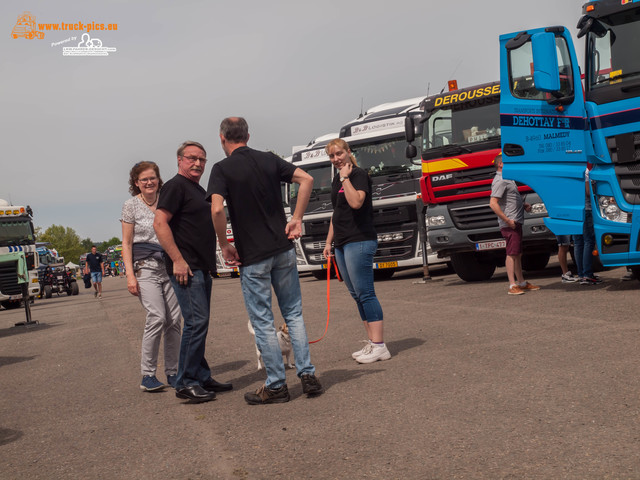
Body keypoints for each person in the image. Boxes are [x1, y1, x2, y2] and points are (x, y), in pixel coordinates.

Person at [208, 117, 323, 405]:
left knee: (263, 321)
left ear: (222, 138)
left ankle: (276, 385)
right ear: (248, 134)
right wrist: (296, 219)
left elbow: (217, 209)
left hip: (253, 256)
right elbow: (306, 179)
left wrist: (224, 243)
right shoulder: (269, 159)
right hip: (282, 249)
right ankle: (307, 374)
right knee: (293, 314)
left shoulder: (222, 168)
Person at [154, 141, 232, 403]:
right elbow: (160, 223)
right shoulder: (175, 186)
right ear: (179, 160)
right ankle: (185, 382)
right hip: (185, 267)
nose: (198, 163)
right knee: (196, 322)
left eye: (202, 159)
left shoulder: (196, 189)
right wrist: (177, 260)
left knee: (199, 323)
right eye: (192, 158)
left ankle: (200, 375)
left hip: (201, 266)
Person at [321, 138, 390, 364]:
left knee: (365, 292)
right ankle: (372, 343)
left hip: (359, 240)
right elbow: (337, 213)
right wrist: (328, 242)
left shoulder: (358, 175)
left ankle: (380, 346)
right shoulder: (336, 179)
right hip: (341, 243)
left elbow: (356, 203)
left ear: (348, 152)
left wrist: (345, 178)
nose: (336, 159)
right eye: (332, 156)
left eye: (339, 154)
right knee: (356, 295)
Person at [121, 161, 182, 392]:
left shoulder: (166, 200)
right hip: (144, 267)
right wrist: (130, 276)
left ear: (158, 179)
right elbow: (126, 243)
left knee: (174, 320)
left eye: (152, 178)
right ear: (136, 183)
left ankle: (173, 372)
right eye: (144, 179)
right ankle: (147, 374)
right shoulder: (130, 206)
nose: (149, 182)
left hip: (170, 265)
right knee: (157, 316)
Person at [489, 153, 541, 295]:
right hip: (510, 223)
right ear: (500, 164)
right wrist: (507, 220)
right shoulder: (500, 180)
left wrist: (523, 205)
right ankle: (512, 285)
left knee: (517, 253)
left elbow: (510, 199)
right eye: (507, 162)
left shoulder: (508, 178)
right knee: (511, 254)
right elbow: (493, 203)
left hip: (515, 221)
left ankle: (522, 282)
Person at [573, 165, 602, 285]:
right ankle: (587, 274)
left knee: (578, 242)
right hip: (587, 209)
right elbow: (588, 192)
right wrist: (595, 186)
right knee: (588, 241)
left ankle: (581, 274)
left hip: (574, 211)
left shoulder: (571, 171)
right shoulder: (585, 172)